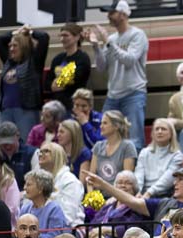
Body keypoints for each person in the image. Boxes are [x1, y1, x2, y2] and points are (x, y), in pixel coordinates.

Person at [89, 0, 149, 152]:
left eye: (112, 12)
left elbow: (129, 61)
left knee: (135, 139)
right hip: (113, 95)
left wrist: (108, 42)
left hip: (134, 93)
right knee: (105, 136)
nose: (108, 16)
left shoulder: (137, 35)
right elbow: (101, 67)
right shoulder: (112, 39)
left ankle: (134, 174)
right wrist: (96, 47)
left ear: (123, 14)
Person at [0, 24, 50, 141]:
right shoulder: (8, 62)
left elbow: (44, 37)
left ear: (24, 47)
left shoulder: (34, 62)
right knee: (6, 144)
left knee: (27, 143)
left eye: (15, 46)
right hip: (5, 110)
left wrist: (29, 32)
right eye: (10, 46)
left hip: (26, 110)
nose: (11, 49)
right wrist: (16, 33)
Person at [44, 23, 92, 111]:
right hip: (57, 106)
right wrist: (54, 85)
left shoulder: (82, 58)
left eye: (66, 36)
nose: (62, 39)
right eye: (61, 36)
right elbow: (47, 82)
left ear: (77, 37)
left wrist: (58, 83)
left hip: (73, 105)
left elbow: (76, 80)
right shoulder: (58, 58)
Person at [19, 169, 69, 238]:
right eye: (25, 184)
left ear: (40, 188)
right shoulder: (25, 209)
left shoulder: (54, 209)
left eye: (29, 185)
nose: (24, 188)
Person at [38, 142, 85, 227]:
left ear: (57, 155)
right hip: (44, 228)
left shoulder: (70, 181)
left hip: (69, 230)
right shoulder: (39, 180)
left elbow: (68, 216)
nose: (41, 154)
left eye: (46, 151)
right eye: (40, 152)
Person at [134, 118, 183, 199]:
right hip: (142, 193)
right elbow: (139, 174)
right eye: (157, 129)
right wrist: (137, 191)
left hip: (164, 195)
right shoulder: (144, 152)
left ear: (171, 134)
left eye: (163, 129)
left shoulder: (177, 155)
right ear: (152, 134)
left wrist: (149, 193)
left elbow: (167, 180)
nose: (159, 131)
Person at [88, 110, 137, 188]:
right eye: (101, 123)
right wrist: (91, 198)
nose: (101, 126)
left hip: (119, 196)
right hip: (98, 196)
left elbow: (127, 181)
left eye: (105, 123)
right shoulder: (98, 146)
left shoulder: (128, 146)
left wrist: (113, 198)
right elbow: (91, 178)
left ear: (116, 126)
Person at [0, 121, 35, 189]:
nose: (7, 147)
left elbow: (37, 182)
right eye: (4, 144)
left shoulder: (32, 153)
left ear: (18, 136)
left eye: (10, 142)